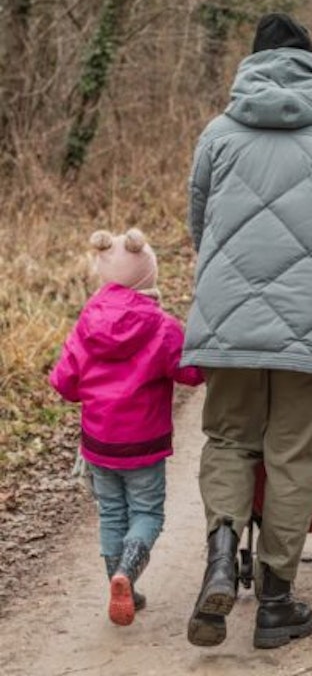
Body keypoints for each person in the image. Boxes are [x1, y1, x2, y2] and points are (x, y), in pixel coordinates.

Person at [181, 12, 312, 650]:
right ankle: (275, 602)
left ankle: (220, 557)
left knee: (230, 439)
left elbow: (200, 225)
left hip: (229, 322)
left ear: (251, 65)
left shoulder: (217, 135)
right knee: (295, 455)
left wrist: (226, 293)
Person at [49, 228, 204, 627]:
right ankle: (126, 574)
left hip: (99, 444)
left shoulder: (87, 322)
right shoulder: (161, 325)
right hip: (144, 445)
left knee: (112, 514)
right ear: (148, 276)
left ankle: (121, 588)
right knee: (147, 513)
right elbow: (191, 374)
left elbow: (64, 382)